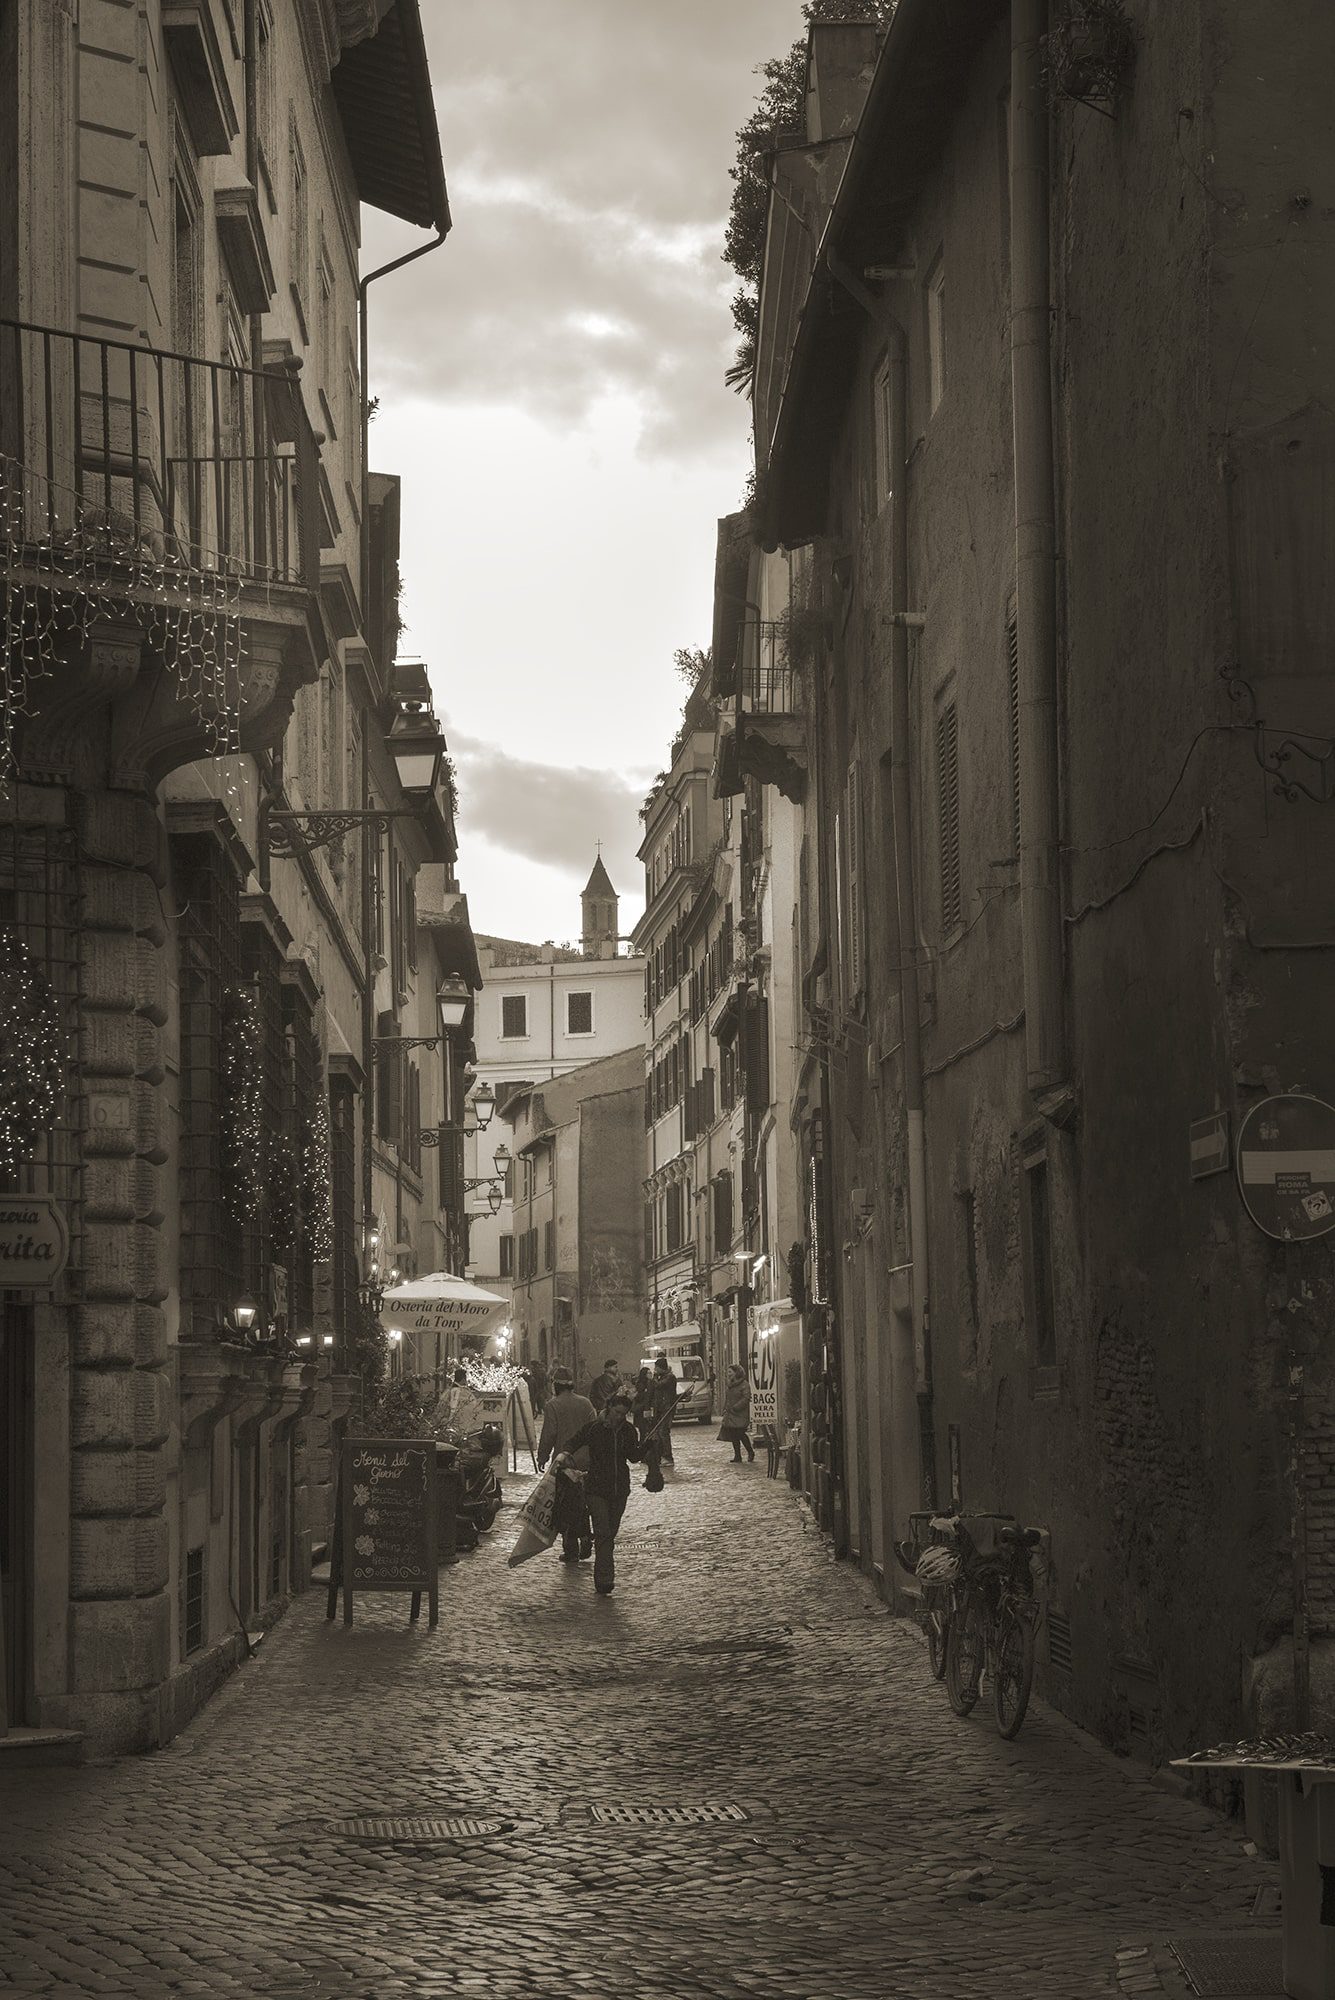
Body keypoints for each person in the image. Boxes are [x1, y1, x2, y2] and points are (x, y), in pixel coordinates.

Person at [556, 1393, 643, 1594]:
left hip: (619, 1489)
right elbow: (573, 1442)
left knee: (610, 1534)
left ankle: (601, 1564)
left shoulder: (629, 1431)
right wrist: (564, 1455)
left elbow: (633, 1457)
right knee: (603, 1532)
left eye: (624, 1413)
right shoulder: (595, 1428)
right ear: (609, 1407)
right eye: (617, 1412)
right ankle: (604, 1580)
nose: (620, 1417)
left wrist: (647, 1446)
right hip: (596, 1489)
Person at [536, 1367, 595, 1562]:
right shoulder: (586, 1403)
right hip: (586, 1462)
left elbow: (549, 1434)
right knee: (583, 1503)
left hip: (564, 1463)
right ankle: (586, 1537)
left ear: (555, 1385)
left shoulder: (553, 1405)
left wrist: (542, 1457)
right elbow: (595, 1431)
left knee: (565, 1505)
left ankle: (570, 1549)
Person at [718, 1363, 755, 1464]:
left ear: (736, 1372)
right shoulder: (730, 1384)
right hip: (731, 1414)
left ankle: (750, 1452)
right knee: (734, 1435)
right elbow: (728, 1398)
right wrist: (725, 1408)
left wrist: (736, 1407)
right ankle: (737, 1456)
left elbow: (746, 1398)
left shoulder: (744, 1384)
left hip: (740, 1414)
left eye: (730, 1372)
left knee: (741, 1434)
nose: (728, 1374)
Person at [650, 1355, 680, 1466]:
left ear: (661, 1367)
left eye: (656, 1367)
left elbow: (659, 1386)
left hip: (667, 1408)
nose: (655, 1370)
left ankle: (668, 1457)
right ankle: (662, 1455)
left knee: (664, 1432)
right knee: (659, 1432)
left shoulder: (669, 1377)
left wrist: (653, 1378)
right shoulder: (662, 1377)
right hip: (660, 1408)